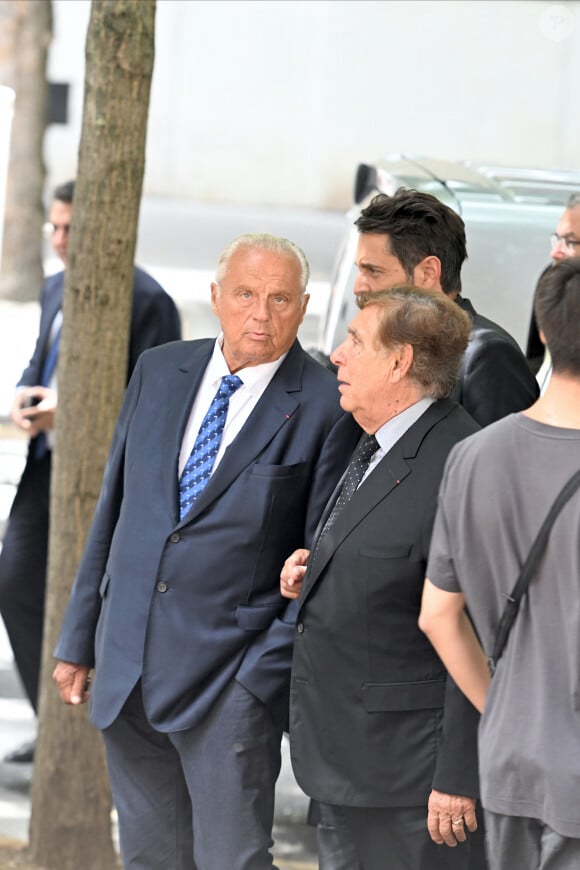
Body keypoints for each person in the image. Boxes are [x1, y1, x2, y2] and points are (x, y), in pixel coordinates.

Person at [53, 233, 360, 870]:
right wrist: (79, 640)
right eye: (246, 294)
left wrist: (257, 681)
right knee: (149, 858)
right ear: (216, 297)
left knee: (231, 860)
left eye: (280, 298)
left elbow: (322, 563)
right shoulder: (159, 370)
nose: (261, 313)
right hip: (128, 665)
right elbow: (114, 511)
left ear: (303, 308)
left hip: (230, 684)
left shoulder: (328, 406)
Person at [281, 286, 486, 870]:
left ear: (399, 361)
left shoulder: (459, 461)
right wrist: (317, 568)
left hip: (411, 787)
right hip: (348, 766)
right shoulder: (376, 438)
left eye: (354, 342)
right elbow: (388, 557)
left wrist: (457, 776)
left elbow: (479, 633)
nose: (337, 356)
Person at [0, 180, 182, 764]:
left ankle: (94, 724)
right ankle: (52, 719)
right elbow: (40, 363)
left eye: (71, 229)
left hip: (108, 481)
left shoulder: (148, 301)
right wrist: (31, 402)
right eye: (53, 227)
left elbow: (152, 408)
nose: (58, 240)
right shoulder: (55, 287)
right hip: (44, 464)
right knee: (14, 581)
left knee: (97, 603)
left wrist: (72, 412)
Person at [420, 257, 580, 870]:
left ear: (541, 329)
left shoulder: (474, 456)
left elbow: (437, 616)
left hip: (509, 760)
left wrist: (506, 711)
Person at [353, 189, 539, 427]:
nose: (359, 287)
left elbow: (499, 460)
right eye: (359, 270)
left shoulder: (487, 357)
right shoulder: (391, 343)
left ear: (428, 273)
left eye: (373, 271)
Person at [526, 192, 580, 388]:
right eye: (558, 238)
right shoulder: (552, 277)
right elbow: (537, 358)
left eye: (570, 242)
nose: (555, 252)